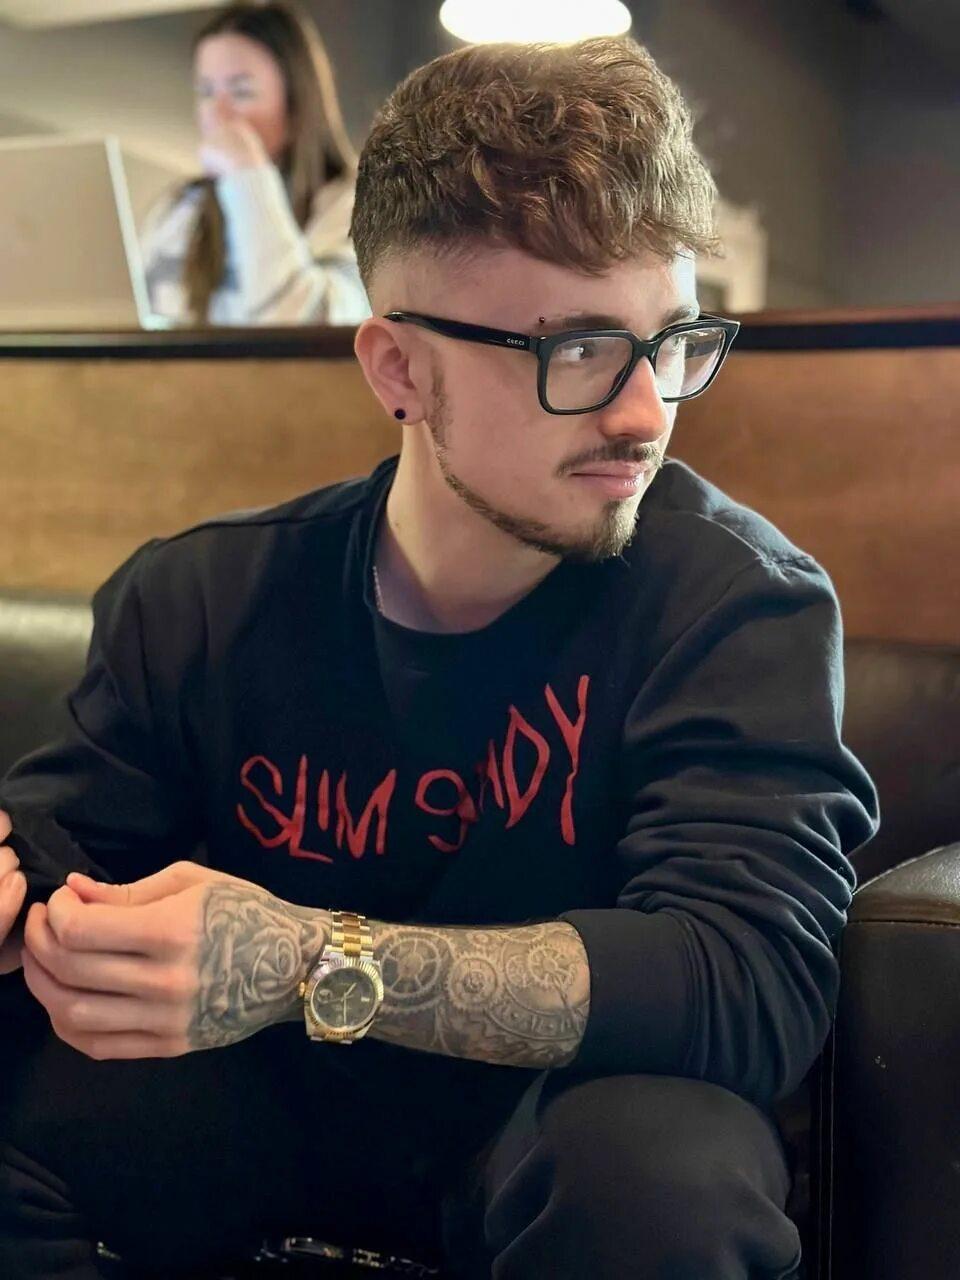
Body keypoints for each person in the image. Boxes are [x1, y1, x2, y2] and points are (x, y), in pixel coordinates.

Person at [0, 33, 877, 1280]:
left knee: (661, 1169)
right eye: (577, 349)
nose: (644, 412)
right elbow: (63, 853)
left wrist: (310, 959)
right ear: (398, 367)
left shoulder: (736, 603)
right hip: (254, 1132)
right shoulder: (201, 599)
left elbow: (748, 983)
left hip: (553, 1154)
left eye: (672, 340)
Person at [142, 0, 371, 326]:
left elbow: (299, 327)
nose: (217, 114)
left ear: (296, 105)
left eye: (241, 92)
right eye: (206, 92)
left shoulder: (356, 205)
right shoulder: (179, 210)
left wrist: (248, 176)